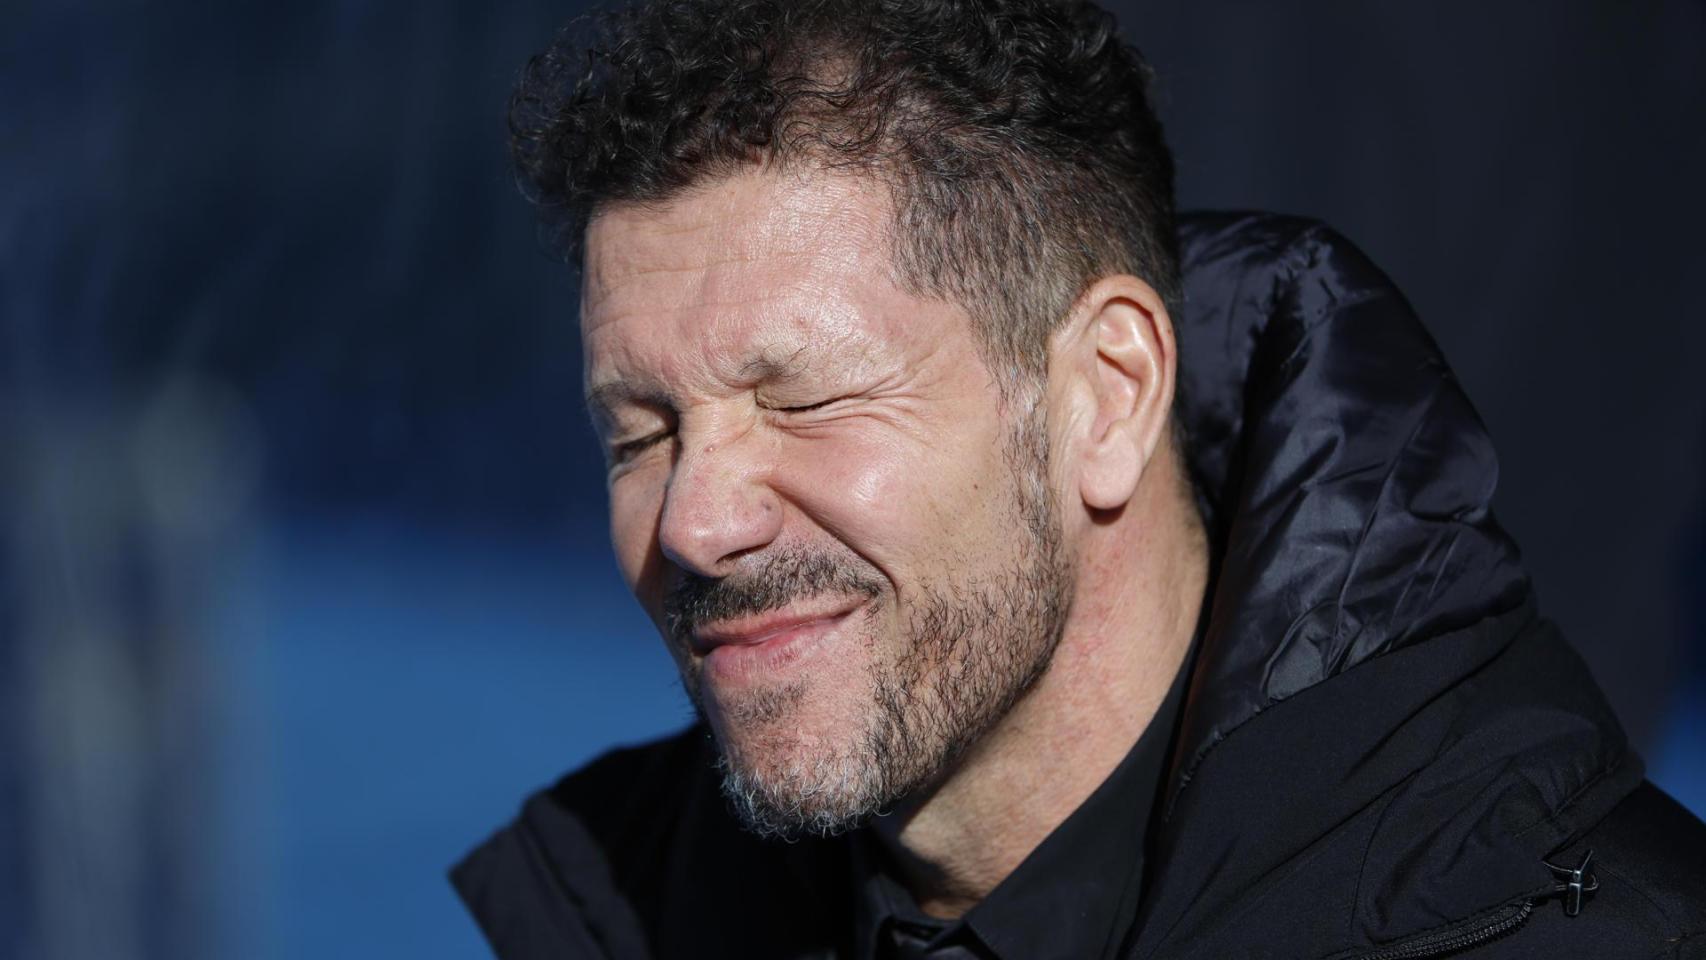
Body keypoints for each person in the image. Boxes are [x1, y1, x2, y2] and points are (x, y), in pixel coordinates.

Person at [451, 1, 1706, 956]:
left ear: (1104, 395)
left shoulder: (1580, 927)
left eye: (806, 399)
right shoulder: (608, 914)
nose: (696, 520)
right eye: (640, 435)